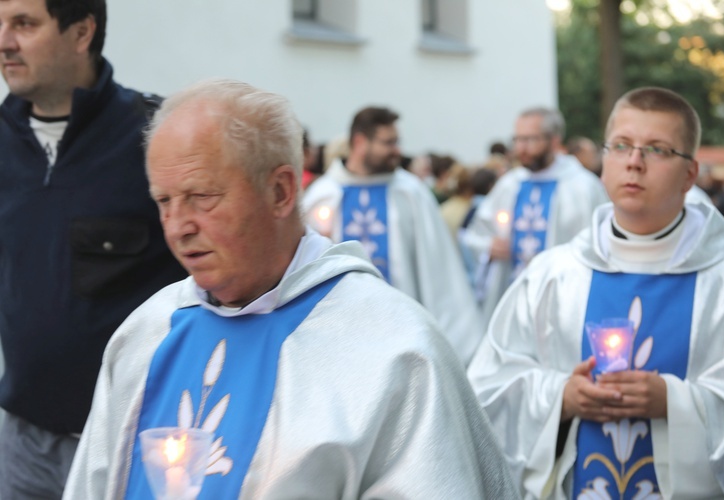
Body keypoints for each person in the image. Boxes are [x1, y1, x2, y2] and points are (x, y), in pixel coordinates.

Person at [63, 80, 519, 499]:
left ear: (280, 191)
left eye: (202, 196)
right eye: (164, 201)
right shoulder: (145, 335)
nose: (178, 227)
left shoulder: (395, 351)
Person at [468, 87, 724, 499]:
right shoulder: (555, 275)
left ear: (690, 174)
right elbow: (487, 391)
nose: (634, 162)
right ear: (604, 163)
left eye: (657, 149)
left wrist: (674, 401)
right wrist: (560, 397)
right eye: (621, 146)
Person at [0, 0, 186, 497]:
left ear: (81, 32)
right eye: (0, 24)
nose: (4, 41)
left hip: (129, 441)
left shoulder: (155, 137)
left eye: (24, 24)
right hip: (22, 442)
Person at [302, 107, 484, 365]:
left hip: (405, 342)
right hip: (339, 343)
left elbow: (439, 271)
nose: (397, 150)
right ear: (360, 143)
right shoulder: (323, 196)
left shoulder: (411, 193)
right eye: (388, 142)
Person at [463, 108, 608, 325]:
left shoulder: (583, 187)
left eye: (530, 139)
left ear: (554, 140)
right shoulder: (509, 184)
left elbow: (601, 245)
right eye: (517, 139)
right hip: (512, 298)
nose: (521, 148)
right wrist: (489, 247)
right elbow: (473, 235)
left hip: (563, 302)